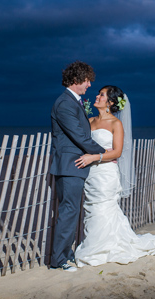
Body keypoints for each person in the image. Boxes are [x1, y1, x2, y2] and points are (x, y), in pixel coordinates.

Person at [73, 86, 155, 267]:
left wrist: (95, 156)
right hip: (91, 174)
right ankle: (102, 244)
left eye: (101, 95)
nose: (97, 96)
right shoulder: (90, 120)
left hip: (106, 174)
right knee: (92, 209)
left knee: (102, 208)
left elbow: (117, 152)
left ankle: (96, 249)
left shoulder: (116, 124)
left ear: (110, 103)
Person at [49, 61, 107, 272]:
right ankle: (59, 261)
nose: (90, 85)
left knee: (71, 211)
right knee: (69, 211)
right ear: (76, 80)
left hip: (76, 166)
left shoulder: (74, 102)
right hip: (70, 165)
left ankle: (66, 253)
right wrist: (105, 153)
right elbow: (80, 137)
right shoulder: (65, 103)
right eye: (87, 80)